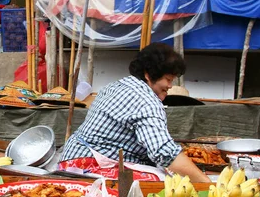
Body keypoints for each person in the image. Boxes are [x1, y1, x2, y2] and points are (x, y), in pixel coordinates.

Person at [59, 43, 210, 183]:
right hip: (86, 166)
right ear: (148, 75)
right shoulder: (145, 100)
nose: (170, 86)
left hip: (70, 158)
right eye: (168, 79)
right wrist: (207, 183)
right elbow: (164, 152)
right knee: (166, 182)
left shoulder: (116, 86)